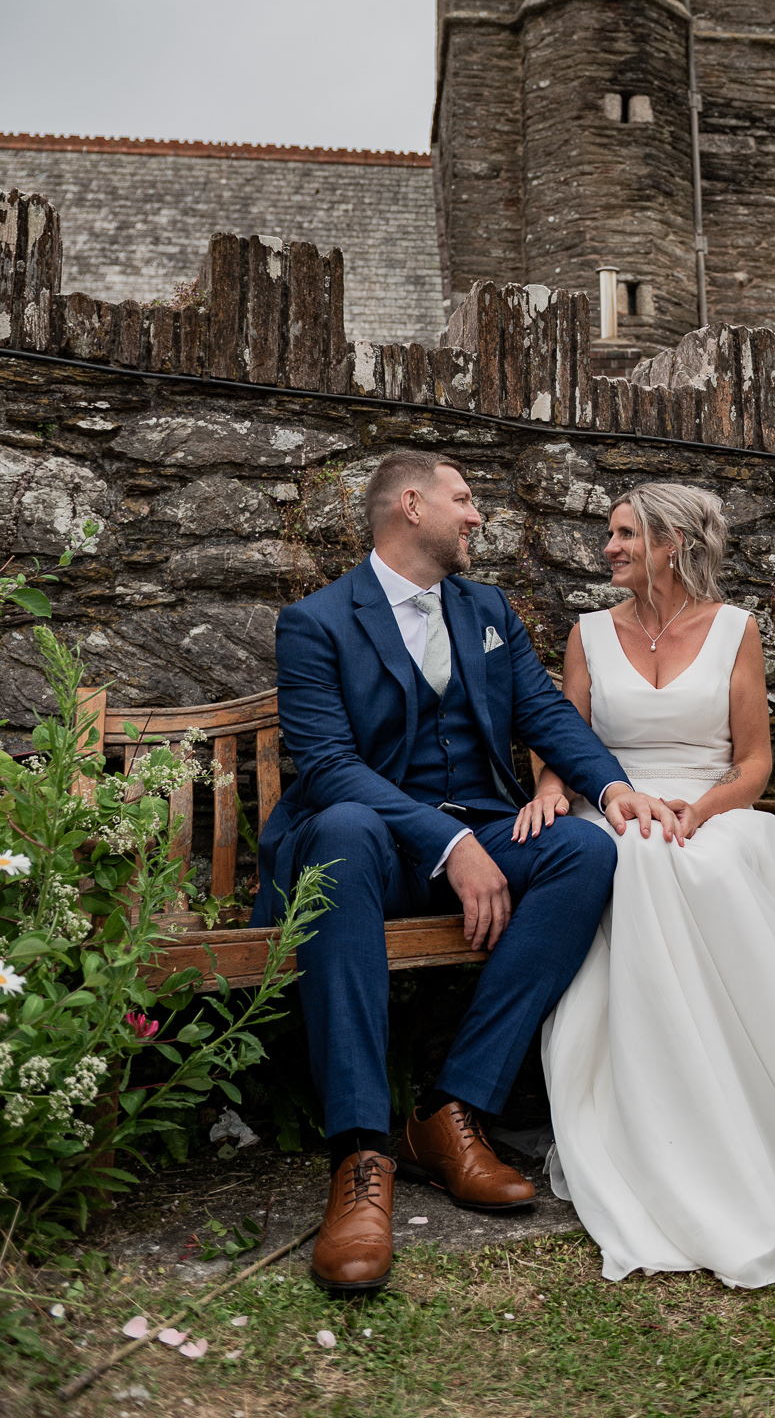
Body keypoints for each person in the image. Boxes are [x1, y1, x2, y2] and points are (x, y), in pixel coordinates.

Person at [251, 449, 683, 1297]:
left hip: (480, 835)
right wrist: (452, 847)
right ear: (410, 506)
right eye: (463, 499)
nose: (477, 515)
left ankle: (450, 1113)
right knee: (338, 825)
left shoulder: (486, 611)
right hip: (371, 851)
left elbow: (543, 713)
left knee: (584, 849)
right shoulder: (316, 622)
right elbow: (329, 764)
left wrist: (614, 788)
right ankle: (360, 1156)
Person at [522, 482, 775, 1290]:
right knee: (633, 855)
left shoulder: (734, 631)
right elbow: (557, 735)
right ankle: (663, 1117)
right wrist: (547, 788)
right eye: (608, 536)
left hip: (712, 809)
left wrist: (701, 809)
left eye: (622, 535)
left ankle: (766, 1116)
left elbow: (753, 764)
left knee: (708, 860)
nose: (606, 549)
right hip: (613, 807)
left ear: (671, 543)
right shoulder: (587, 636)